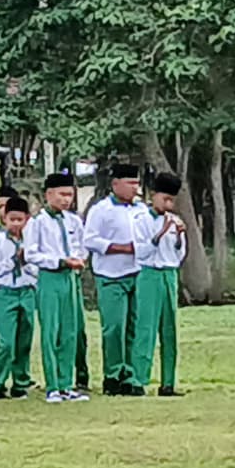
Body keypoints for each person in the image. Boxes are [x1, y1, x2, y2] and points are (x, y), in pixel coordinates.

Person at [88, 162, 153, 392]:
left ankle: (131, 375)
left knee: (134, 326)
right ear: (116, 184)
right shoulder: (101, 210)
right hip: (111, 274)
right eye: (130, 183)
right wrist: (119, 248)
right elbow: (90, 240)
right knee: (114, 326)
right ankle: (112, 374)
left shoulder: (141, 210)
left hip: (137, 272)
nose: (135, 187)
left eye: (137, 183)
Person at [26, 176, 90, 401]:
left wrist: (79, 259)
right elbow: (31, 254)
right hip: (50, 277)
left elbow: (82, 247)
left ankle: (66, 383)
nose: (66, 199)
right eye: (61, 194)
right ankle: (52, 385)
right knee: (51, 331)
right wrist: (60, 261)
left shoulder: (73, 221)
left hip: (70, 278)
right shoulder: (37, 222)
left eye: (69, 195)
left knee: (70, 330)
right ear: (48, 194)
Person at [0, 191, 38, 398]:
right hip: (4, 292)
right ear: (4, 219)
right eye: (11, 219)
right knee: (4, 340)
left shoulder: (32, 242)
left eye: (19, 220)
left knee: (24, 337)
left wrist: (26, 261)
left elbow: (37, 268)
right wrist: (14, 260)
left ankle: (20, 381)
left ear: (27, 220)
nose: (15, 224)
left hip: (26, 290)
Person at [140, 177, 188, 396]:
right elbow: (141, 252)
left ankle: (168, 382)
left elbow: (179, 255)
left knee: (169, 330)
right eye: (165, 199)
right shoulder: (141, 220)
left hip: (169, 274)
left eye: (172, 200)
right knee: (146, 329)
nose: (168, 205)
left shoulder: (175, 221)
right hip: (149, 273)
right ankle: (139, 380)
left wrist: (178, 236)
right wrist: (160, 233)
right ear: (153, 195)